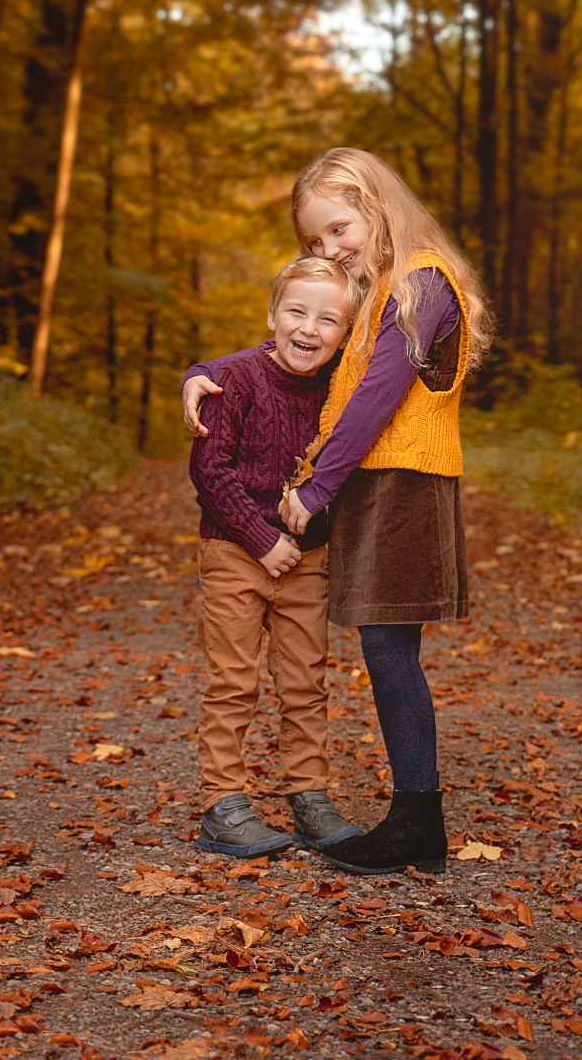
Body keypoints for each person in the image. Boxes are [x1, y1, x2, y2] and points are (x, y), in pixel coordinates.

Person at [184, 148, 491, 875]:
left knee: (390, 654)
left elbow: (373, 400)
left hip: (406, 489)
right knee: (383, 653)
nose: (330, 249)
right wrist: (201, 373)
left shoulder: (423, 285)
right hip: (374, 488)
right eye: (315, 242)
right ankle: (412, 814)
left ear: (376, 204)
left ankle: (418, 819)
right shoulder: (381, 288)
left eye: (339, 228)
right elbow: (290, 361)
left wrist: (316, 490)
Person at [186, 255, 365, 859]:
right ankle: (223, 804)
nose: (309, 329)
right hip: (236, 552)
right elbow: (209, 471)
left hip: (307, 562)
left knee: (304, 683)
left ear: (345, 335)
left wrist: (299, 542)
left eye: (329, 320)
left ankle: (309, 797)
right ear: (272, 314)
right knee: (232, 680)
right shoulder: (233, 379)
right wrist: (264, 543)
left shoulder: (342, 390)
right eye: (297, 311)